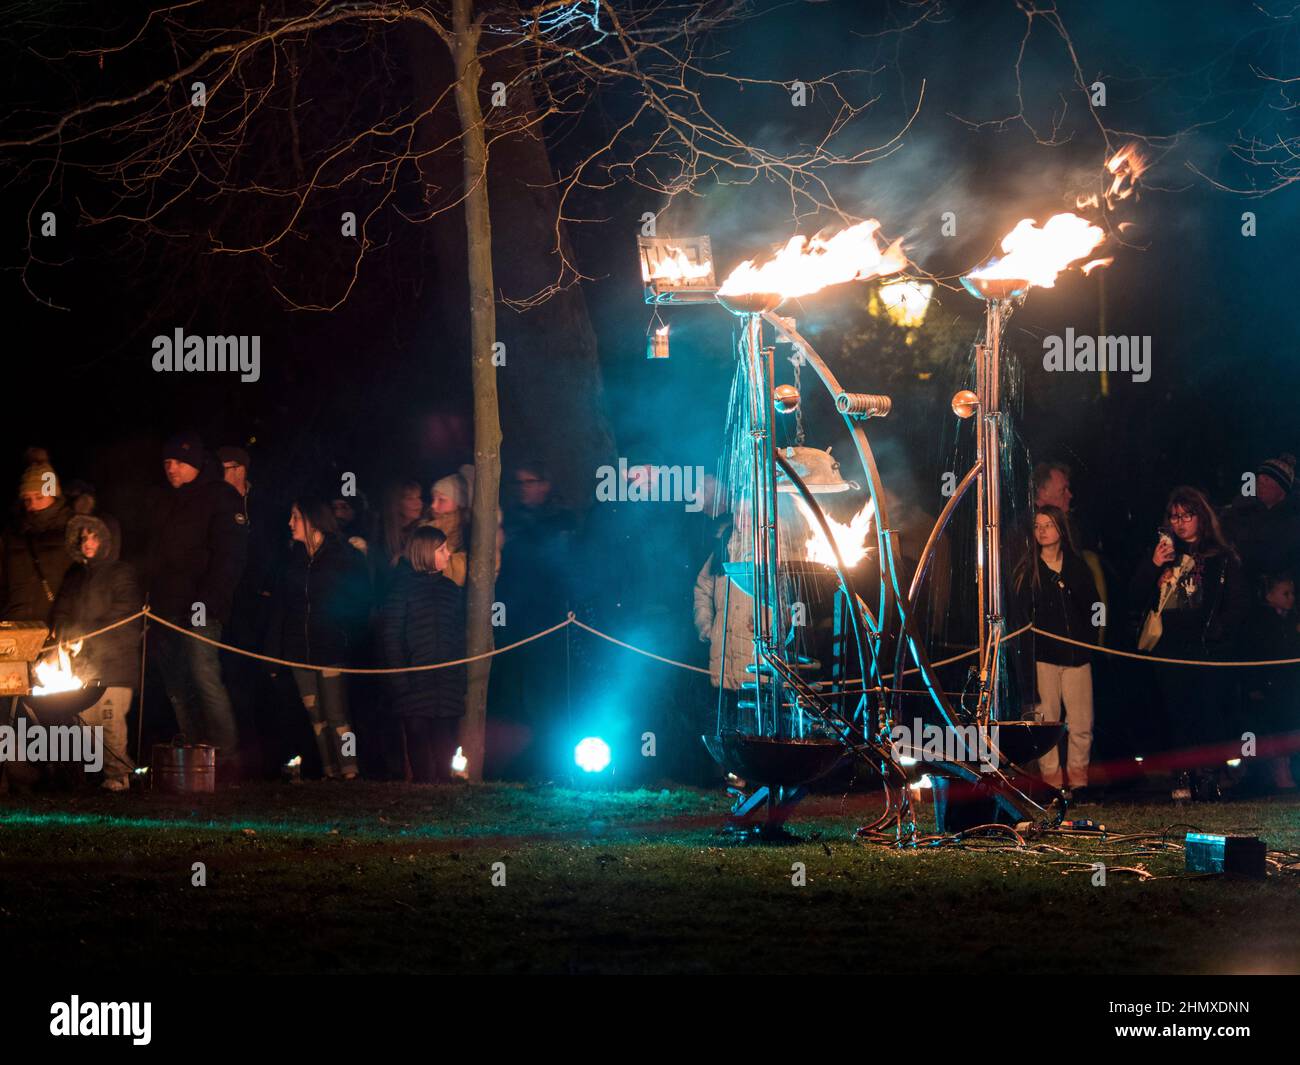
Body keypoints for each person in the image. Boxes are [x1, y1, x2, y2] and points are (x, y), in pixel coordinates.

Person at [1131, 485, 1248, 800]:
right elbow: (1134, 596)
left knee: (1207, 713)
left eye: (1187, 515)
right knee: (1177, 713)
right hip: (1169, 648)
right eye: (1175, 516)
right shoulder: (1165, 554)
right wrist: (1153, 565)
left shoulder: (1220, 556)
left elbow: (1236, 602)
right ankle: (1181, 775)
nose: (1181, 522)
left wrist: (1220, 630)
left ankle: (1209, 775)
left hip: (1206, 648)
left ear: (1201, 516)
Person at [146, 432, 248, 774]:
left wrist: (208, 602)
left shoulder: (220, 496)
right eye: (166, 462)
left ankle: (227, 755)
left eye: (177, 461)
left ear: (193, 462)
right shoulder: (165, 501)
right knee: (176, 683)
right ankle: (196, 755)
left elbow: (228, 557)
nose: (170, 468)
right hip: (165, 608)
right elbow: (155, 558)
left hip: (201, 605)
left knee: (203, 675)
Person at [267, 497, 370, 780]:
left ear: (313, 520)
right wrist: (274, 652)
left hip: (331, 649)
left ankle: (350, 770)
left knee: (338, 716)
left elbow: (360, 603)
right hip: (299, 651)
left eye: (295, 517)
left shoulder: (343, 557)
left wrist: (347, 635)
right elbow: (282, 608)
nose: (290, 523)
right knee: (316, 717)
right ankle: (329, 770)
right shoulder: (293, 561)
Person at [51, 515, 144, 791]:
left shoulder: (121, 573)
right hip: (84, 666)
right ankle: (101, 776)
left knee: (109, 723)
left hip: (115, 665)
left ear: (106, 540)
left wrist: (84, 631)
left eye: (93, 536)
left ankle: (120, 775)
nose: (87, 542)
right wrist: (66, 629)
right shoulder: (75, 576)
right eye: (82, 537)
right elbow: (61, 611)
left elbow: (125, 617)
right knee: (87, 723)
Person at [1013, 505, 1098, 795]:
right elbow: (1020, 617)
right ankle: (1051, 784)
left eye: (1048, 525)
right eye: (1038, 526)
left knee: (1081, 723)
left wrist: (1088, 640)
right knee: (1047, 722)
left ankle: (1079, 782)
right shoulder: (1028, 570)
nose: (1042, 531)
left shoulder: (1077, 566)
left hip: (1077, 656)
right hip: (1044, 658)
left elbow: (1094, 606)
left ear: (1061, 528)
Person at [379, 526, 466, 783]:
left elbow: (459, 636)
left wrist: (458, 676)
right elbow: (391, 638)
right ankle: (422, 792)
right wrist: (402, 682)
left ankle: (443, 791)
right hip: (415, 684)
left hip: (447, 683)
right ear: (426, 552)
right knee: (418, 739)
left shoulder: (451, 591)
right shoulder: (402, 591)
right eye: (441, 549)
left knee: (445, 741)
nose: (448, 554)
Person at [693, 516, 755, 733]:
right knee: (724, 728)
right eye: (741, 508)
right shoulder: (724, 544)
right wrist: (706, 625)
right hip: (722, 654)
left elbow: (786, 593)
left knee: (753, 726)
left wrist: (769, 625)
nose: (744, 514)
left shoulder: (770, 546)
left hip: (755, 653)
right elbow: (703, 589)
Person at [1242, 573, 1300, 792]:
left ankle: (1285, 774)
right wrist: (1254, 686)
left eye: (1292, 593)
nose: (1291, 598)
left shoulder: (1291, 620)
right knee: (1264, 732)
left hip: (1288, 686)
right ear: (1268, 595)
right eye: (1285, 593)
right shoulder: (1260, 622)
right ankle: (1264, 775)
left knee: (1288, 729)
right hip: (1267, 686)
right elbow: (1253, 655)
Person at [1, 458, 75, 625]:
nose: (32, 505)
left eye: (39, 497)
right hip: (14, 630)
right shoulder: (12, 534)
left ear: (53, 495)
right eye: (27, 499)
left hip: (54, 630)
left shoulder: (73, 531)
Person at [1221, 453, 1300, 585]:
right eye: (1258, 479)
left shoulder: (1292, 524)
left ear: (1282, 488)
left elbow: (1277, 560)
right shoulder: (1241, 511)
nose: (1259, 484)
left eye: (1267, 480)